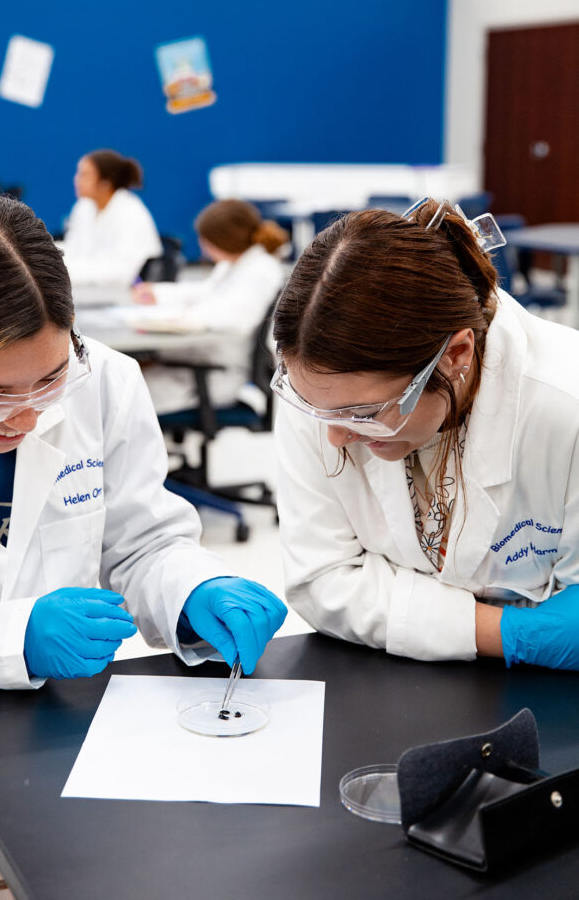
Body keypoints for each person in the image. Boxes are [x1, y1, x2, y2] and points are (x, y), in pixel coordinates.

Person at [0, 191, 286, 900]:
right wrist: (13, 637)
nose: (23, 416)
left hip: (63, 757)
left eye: (49, 380)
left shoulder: (105, 380)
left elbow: (141, 541)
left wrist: (188, 588)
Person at [271, 197, 579, 672]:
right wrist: (507, 631)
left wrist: (405, 603)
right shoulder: (321, 388)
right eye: (317, 411)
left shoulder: (565, 403)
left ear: (457, 353)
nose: (334, 438)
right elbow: (324, 578)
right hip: (388, 677)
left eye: (366, 413)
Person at [132, 198, 289, 415]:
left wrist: (179, 318)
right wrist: (159, 293)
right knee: (123, 382)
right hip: (196, 363)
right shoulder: (234, 265)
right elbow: (205, 292)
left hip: (211, 373)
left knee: (123, 396)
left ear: (222, 240)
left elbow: (234, 318)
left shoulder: (260, 271)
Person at [61, 148, 162, 288]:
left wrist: (64, 272)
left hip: (127, 294)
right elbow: (73, 250)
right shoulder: (83, 207)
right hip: (90, 290)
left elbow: (123, 272)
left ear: (105, 183)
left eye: (85, 175)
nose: (77, 180)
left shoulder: (130, 213)